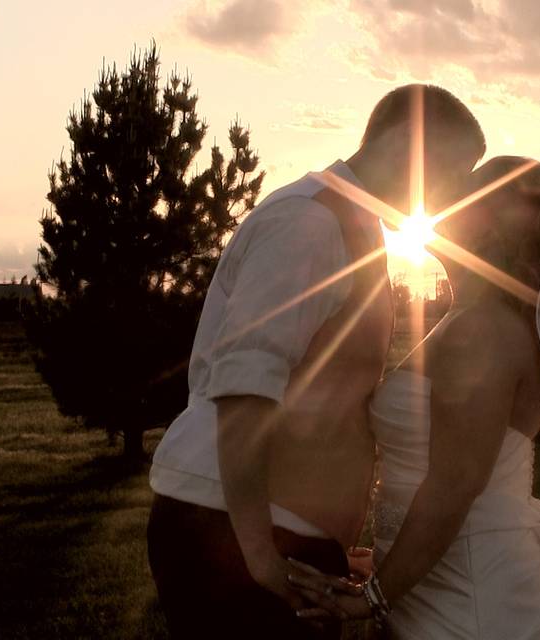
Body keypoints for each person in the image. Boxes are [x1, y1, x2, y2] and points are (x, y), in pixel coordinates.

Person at [146, 84, 486, 639]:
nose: (450, 197)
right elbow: (244, 389)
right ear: (408, 143)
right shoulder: (310, 222)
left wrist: (327, 535)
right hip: (232, 533)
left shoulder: (353, 224)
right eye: (452, 169)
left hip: (279, 529)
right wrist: (258, 554)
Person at [288, 157, 540, 639]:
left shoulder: (482, 333)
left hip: (471, 599)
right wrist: (384, 556)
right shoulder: (475, 320)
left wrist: (373, 597)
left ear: (492, 226)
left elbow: (452, 489)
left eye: (466, 195)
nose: (443, 205)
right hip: (433, 577)